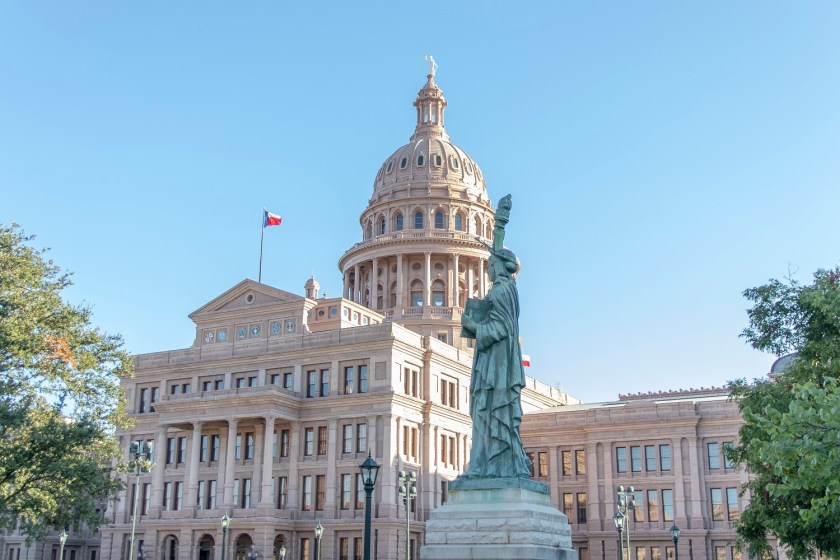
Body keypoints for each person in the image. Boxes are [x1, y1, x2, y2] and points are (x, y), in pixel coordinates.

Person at [460, 245, 532, 479]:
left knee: (488, 410)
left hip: (495, 362)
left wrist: (472, 326)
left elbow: (501, 327)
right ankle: (489, 463)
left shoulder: (501, 291)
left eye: (491, 265)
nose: (488, 270)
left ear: (499, 265)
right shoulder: (509, 289)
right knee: (490, 411)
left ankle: (487, 465)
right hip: (496, 358)